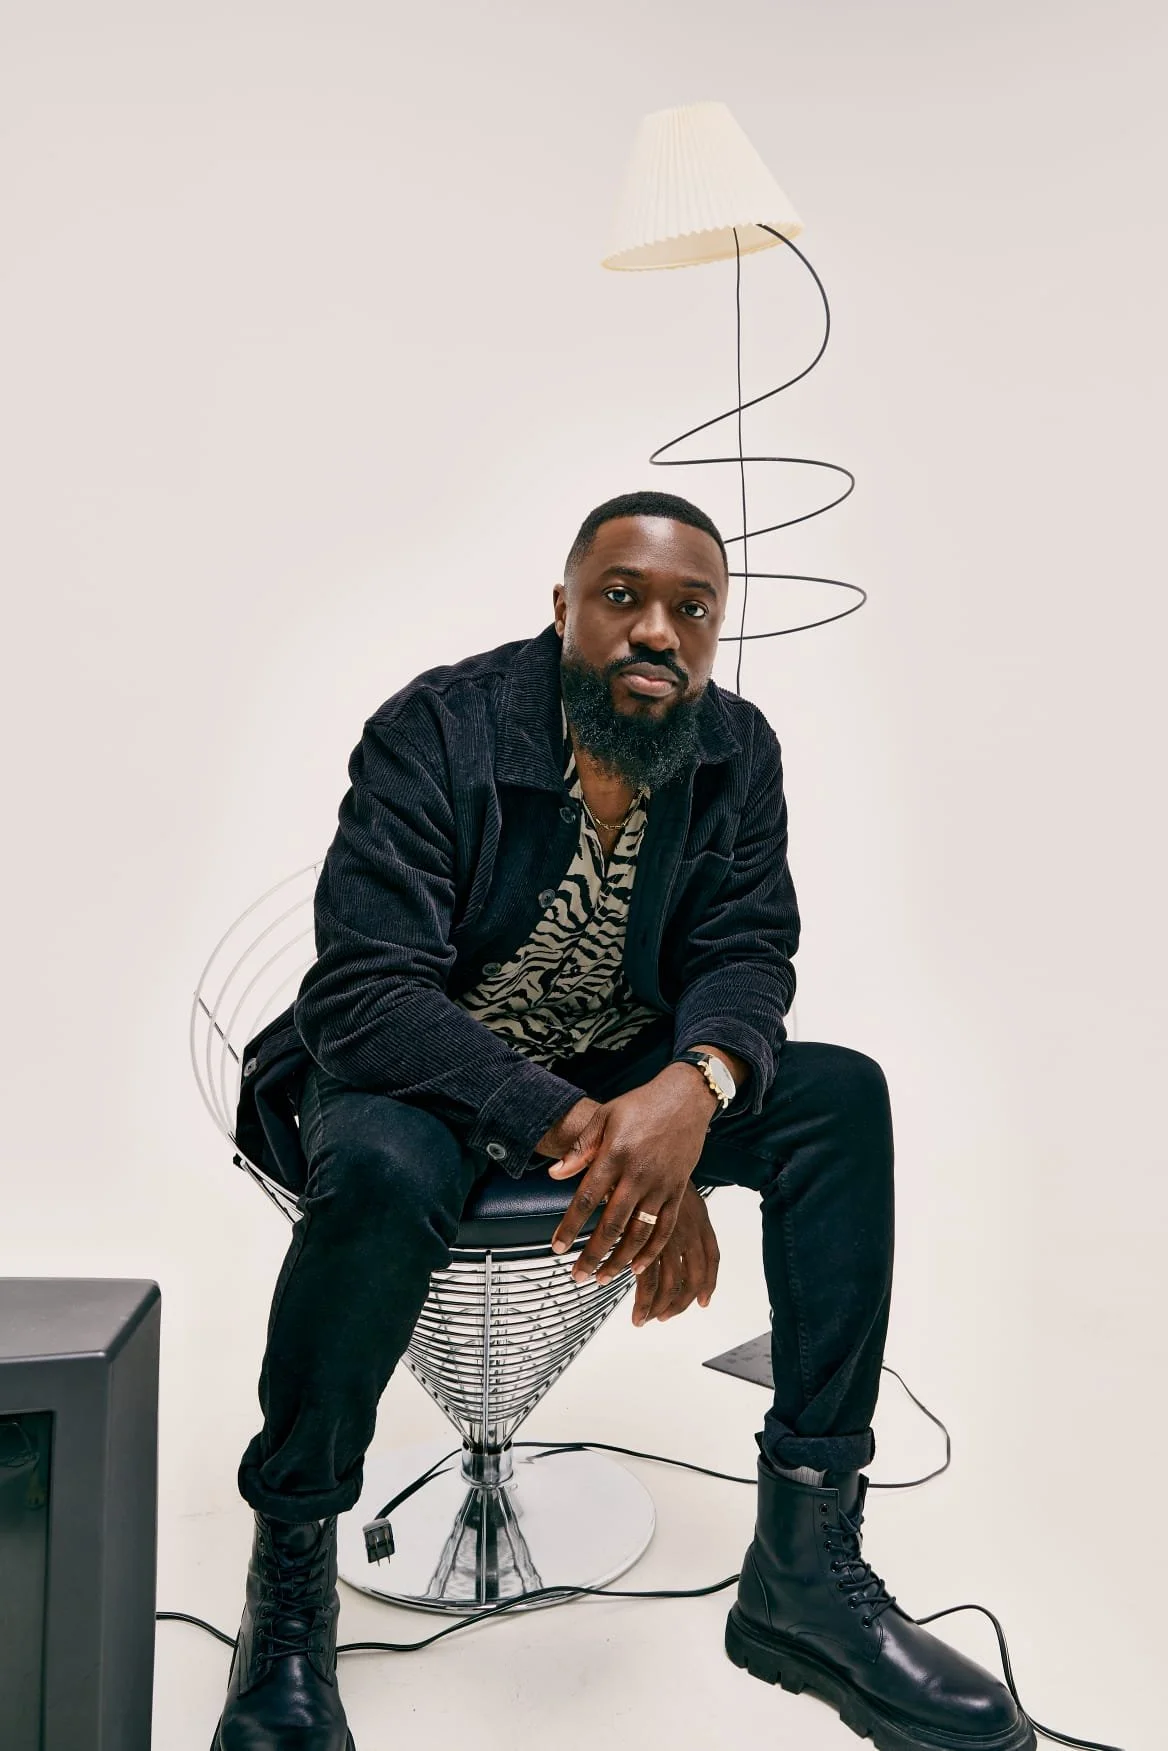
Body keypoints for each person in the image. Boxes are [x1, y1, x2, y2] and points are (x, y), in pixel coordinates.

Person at [213, 490, 1035, 1751]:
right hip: (417, 1075)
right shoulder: (437, 730)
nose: (657, 630)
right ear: (563, 610)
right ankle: (288, 1588)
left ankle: (806, 1567)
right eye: (624, 597)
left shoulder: (735, 753)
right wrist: (615, 1140)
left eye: (690, 610)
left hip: (623, 1069)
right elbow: (366, 991)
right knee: (378, 1164)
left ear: (712, 634)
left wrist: (693, 1092)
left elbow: (748, 953)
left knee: (840, 1098)